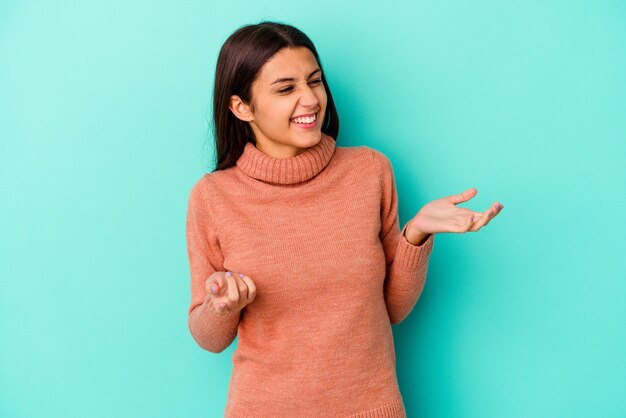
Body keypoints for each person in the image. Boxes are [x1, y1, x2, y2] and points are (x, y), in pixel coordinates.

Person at [185, 21, 503, 418]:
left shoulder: (369, 172)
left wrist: (416, 234)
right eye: (286, 89)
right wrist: (222, 306)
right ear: (241, 107)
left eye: (314, 81)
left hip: (372, 407)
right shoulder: (214, 197)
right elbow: (208, 337)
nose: (310, 99)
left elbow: (392, 309)